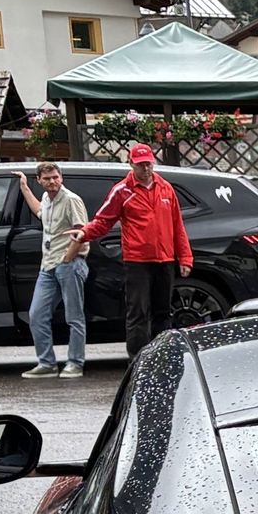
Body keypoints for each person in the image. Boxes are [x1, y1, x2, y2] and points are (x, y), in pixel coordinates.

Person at [77, 144, 195, 357]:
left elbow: (177, 225)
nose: (146, 169)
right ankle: (138, 359)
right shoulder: (122, 190)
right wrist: (84, 233)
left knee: (163, 311)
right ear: (131, 164)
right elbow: (103, 220)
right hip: (137, 261)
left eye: (149, 164)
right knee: (138, 312)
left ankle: (164, 356)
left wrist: (185, 257)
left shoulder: (165, 188)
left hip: (165, 259)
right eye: (141, 165)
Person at [18, 160, 89, 379]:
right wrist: (24, 188)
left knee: (73, 316)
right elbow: (41, 212)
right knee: (37, 315)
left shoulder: (71, 200)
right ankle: (47, 363)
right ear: (39, 180)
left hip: (69, 263)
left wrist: (68, 257)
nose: (52, 182)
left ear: (61, 177)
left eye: (55, 177)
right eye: (47, 178)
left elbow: (83, 232)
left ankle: (75, 362)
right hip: (48, 265)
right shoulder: (47, 200)